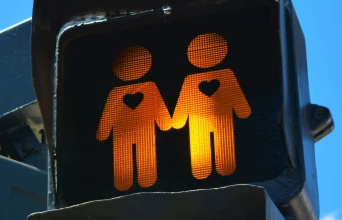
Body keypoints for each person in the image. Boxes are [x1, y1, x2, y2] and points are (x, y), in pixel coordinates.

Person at [171, 33, 251, 180]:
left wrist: (175, 121)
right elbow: (182, 102)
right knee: (202, 155)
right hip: (200, 123)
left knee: (224, 151)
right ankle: (206, 173)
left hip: (220, 120)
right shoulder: (191, 80)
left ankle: (222, 172)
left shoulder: (225, 76)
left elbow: (239, 100)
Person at [97, 46, 174, 190]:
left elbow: (160, 109)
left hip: (142, 135)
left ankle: (143, 182)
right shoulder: (118, 93)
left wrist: (168, 122)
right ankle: (126, 184)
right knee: (123, 166)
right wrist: (104, 131)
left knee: (146, 165)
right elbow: (109, 113)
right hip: (124, 137)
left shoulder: (149, 88)